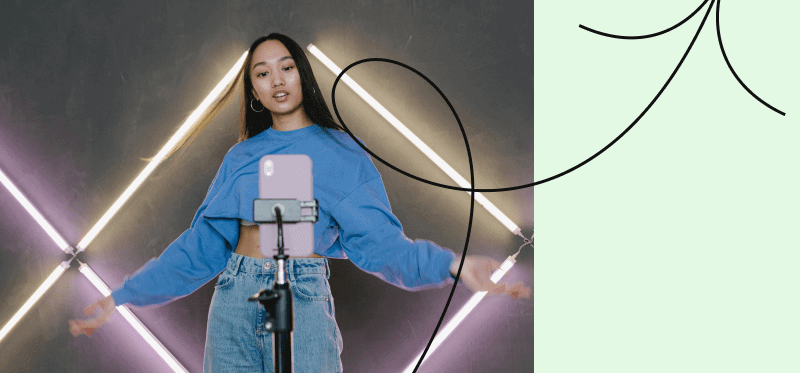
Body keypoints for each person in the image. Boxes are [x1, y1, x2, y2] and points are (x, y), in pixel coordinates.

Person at [68, 33, 530, 372]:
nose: (276, 80)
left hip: (302, 295)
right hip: (234, 297)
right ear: (253, 90)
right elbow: (199, 249)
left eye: (286, 67)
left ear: (302, 75)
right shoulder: (240, 157)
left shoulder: (342, 152)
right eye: (262, 73)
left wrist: (452, 265)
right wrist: (122, 296)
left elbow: (382, 246)